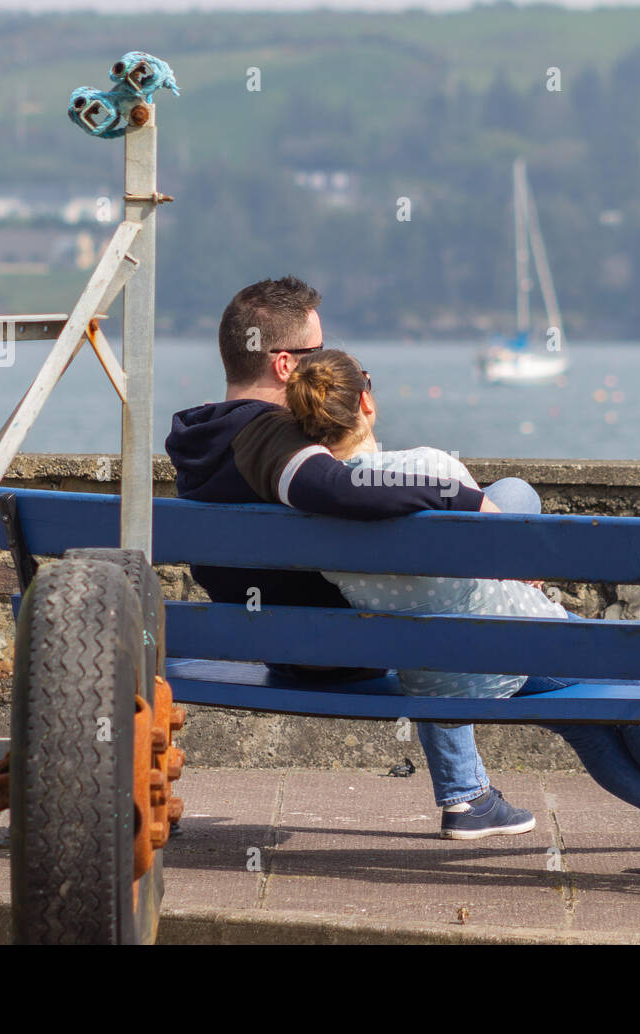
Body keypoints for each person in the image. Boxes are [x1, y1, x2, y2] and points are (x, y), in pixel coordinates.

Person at [278, 348, 640, 874]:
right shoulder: (428, 467)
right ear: (366, 400)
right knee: (626, 695)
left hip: (434, 680)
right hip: (515, 646)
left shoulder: (309, 510)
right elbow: (500, 548)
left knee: (587, 726)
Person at [164, 276, 537, 840]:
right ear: (285, 364)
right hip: (344, 646)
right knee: (512, 498)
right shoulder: (267, 436)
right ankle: (466, 789)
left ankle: (470, 792)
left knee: (436, 557)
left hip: (274, 643)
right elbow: (338, 490)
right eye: (319, 354)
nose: (327, 366)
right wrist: (465, 498)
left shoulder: (202, 437)